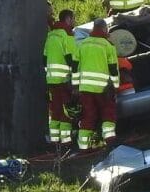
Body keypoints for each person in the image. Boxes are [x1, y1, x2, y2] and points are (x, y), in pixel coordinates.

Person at [75, 18, 119, 148]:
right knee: (107, 114)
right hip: (103, 88)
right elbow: (113, 70)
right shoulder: (107, 46)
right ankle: (110, 142)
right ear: (105, 29)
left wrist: (75, 87)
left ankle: (83, 147)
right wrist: (115, 88)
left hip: (85, 88)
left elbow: (75, 67)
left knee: (88, 117)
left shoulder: (82, 45)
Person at [43, 9, 78, 145]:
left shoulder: (51, 35)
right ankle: (66, 141)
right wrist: (75, 80)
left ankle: (54, 140)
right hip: (64, 80)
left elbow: (44, 59)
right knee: (66, 111)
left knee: (55, 111)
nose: (74, 22)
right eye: (73, 19)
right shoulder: (67, 36)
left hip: (51, 79)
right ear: (68, 19)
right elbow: (71, 60)